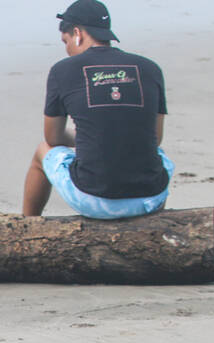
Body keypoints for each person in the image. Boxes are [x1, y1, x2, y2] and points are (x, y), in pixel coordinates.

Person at [22, 0, 173, 219]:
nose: (67, 50)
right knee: (157, 154)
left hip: (92, 200)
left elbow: (53, 138)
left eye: (66, 41)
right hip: (150, 198)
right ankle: (152, 223)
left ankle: (27, 226)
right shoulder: (150, 68)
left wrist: (88, 135)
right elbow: (155, 137)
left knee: (42, 151)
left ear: (77, 33)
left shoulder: (61, 71)